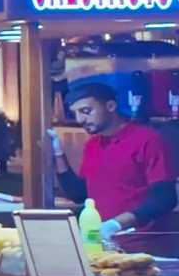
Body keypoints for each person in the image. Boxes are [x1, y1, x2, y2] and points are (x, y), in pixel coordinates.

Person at [67, 79, 175, 241]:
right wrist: (57, 154)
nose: (80, 120)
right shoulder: (93, 145)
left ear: (110, 106)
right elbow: (81, 194)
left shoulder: (147, 139)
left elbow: (165, 198)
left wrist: (116, 224)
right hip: (101, 241)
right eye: (75, 113)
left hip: (143, 242)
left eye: (86, 111)